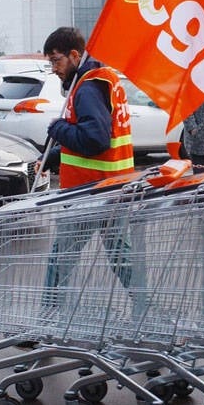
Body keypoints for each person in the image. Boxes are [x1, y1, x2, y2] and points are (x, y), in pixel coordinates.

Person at [40, 27, 135, 299]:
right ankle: (147, 310)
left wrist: (57, 128)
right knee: (122, 257)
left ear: (74, 55)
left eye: (56, 60)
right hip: (112, 189)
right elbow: (88, 137)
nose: (54, 68)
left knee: (61, 258)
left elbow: (95, 140)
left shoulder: (89, 86)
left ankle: (48, 317)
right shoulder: (101, 80)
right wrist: (51, 157)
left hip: (89, 191)